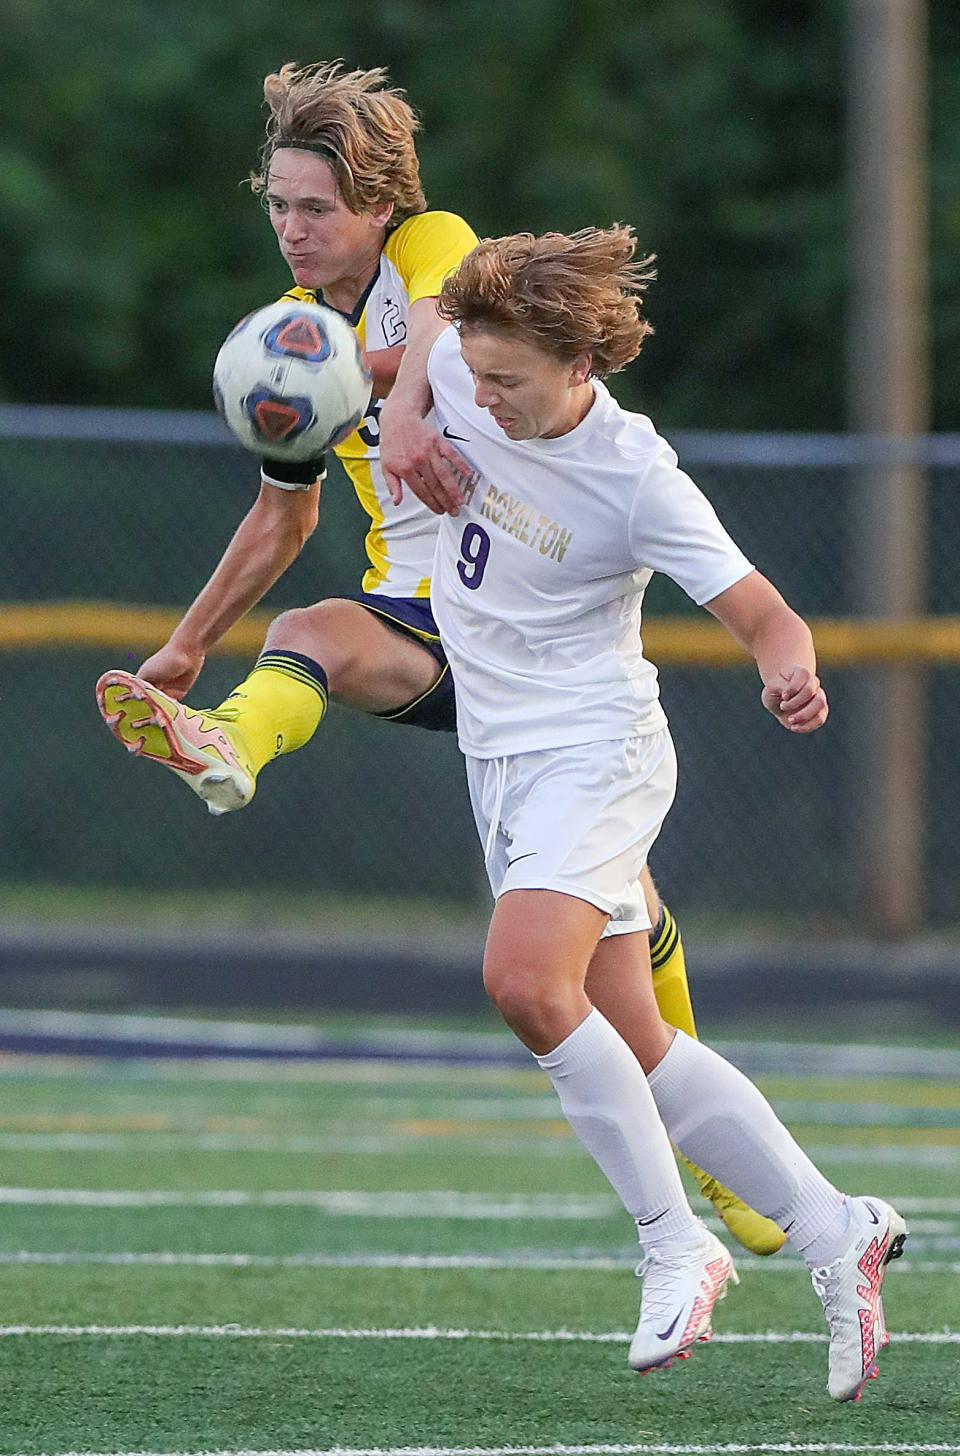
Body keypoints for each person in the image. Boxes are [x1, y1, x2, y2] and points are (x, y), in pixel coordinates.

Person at [93, 59, 780, 1257]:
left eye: (315, 208)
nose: (292, 229)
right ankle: (226, 742)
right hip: (426, 616)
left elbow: (452, 307)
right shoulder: (307, 340)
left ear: (377, 206)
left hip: (526, 638)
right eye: (278, 205)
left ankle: (712, 1167)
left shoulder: (436, 248)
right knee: (304, 629)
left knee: (626, 931)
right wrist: (186, 643)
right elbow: (285, 517)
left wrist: (399, 402)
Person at [394, 223, 904, 1399]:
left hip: (597, 751)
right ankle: (841, 1233)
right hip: (501, 762)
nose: (486, 394)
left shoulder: (636, 474)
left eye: (509, 379)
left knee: (525, 983)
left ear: (585, 366)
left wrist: (788, 665)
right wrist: (415, 403)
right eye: (475, 370)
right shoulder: (460, 373)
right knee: (634, 1038)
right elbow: (426, 301)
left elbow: (767, 611)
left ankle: (677, 1244)